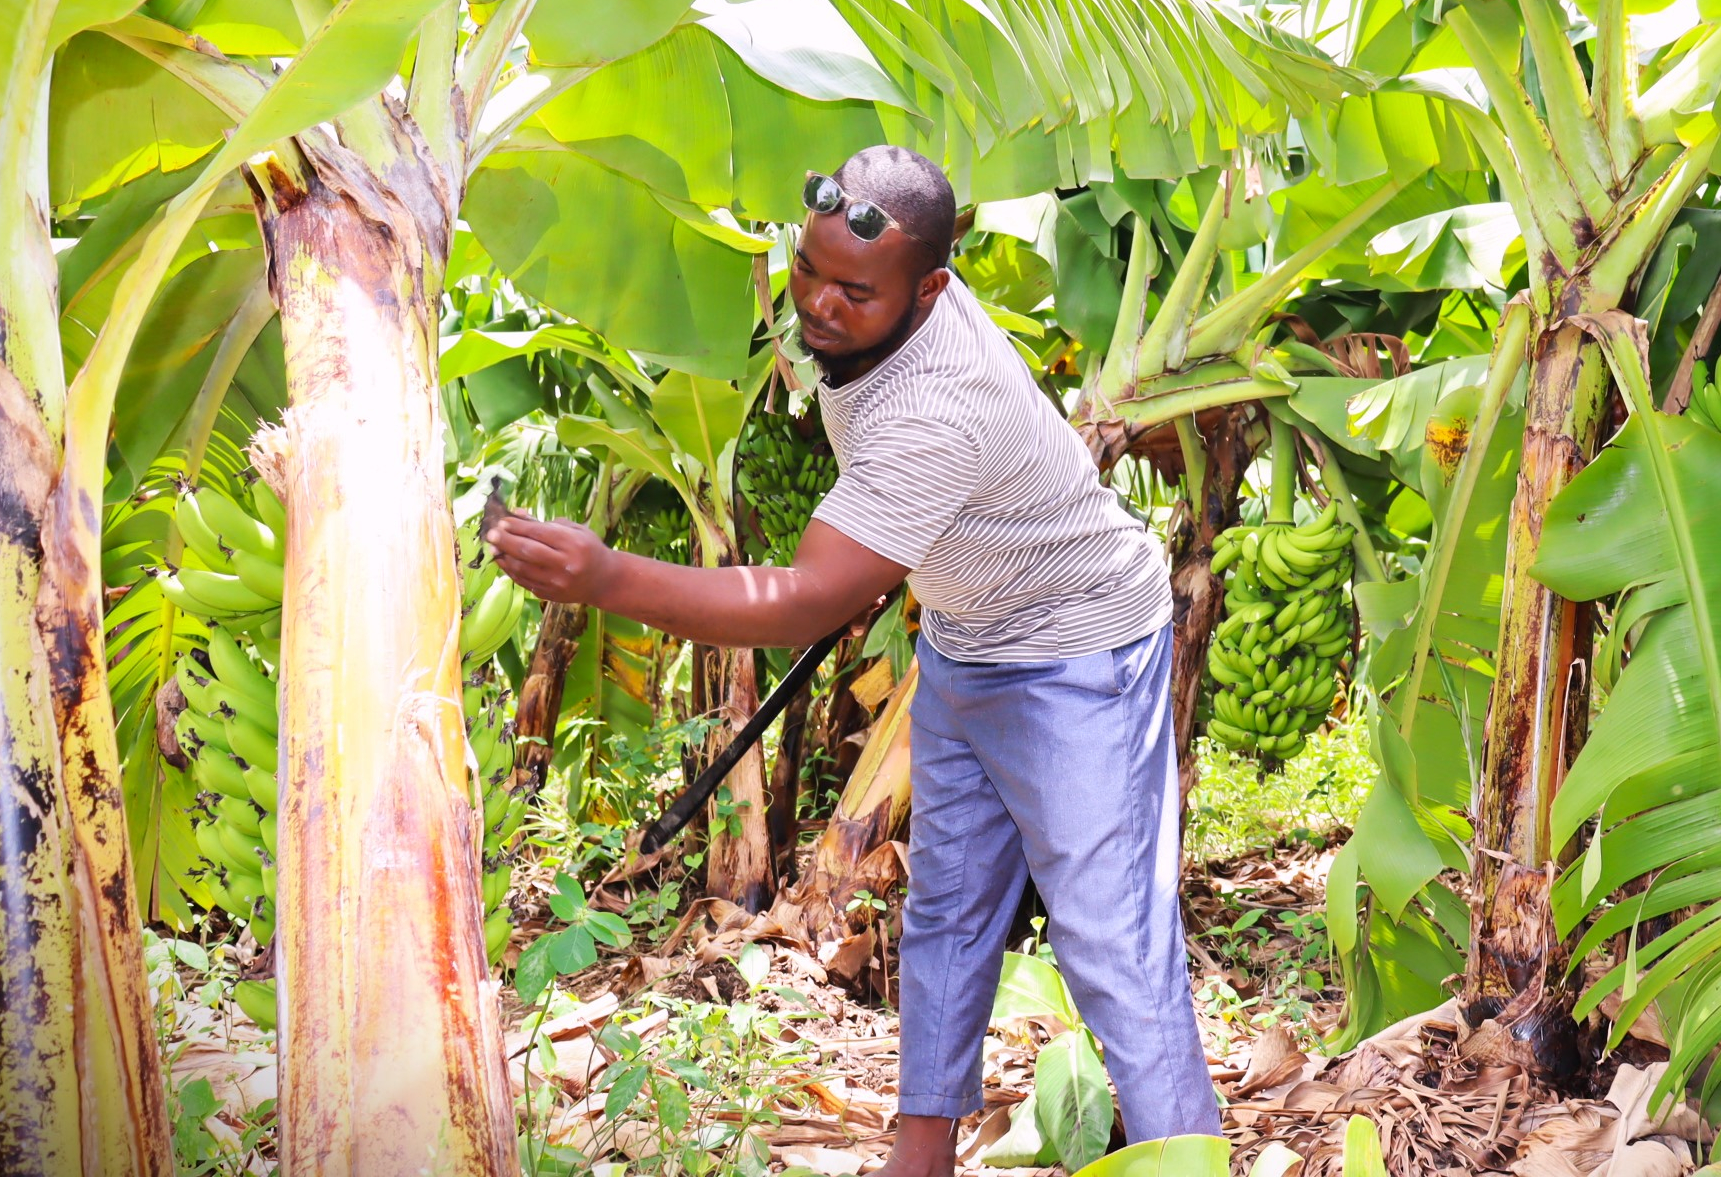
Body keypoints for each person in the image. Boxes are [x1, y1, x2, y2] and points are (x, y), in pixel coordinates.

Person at [485, 145, 1221, 1174]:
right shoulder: (863, 313)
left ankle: (1187, 1158)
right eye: (808, 271)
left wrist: (607, 576)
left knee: (1109, 943)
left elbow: (804, 600)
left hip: (1078, 651)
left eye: (854, 292)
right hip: (968, 638)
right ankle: (919, 1159)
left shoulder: (937, 405)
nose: (820, 306)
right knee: (948, 913)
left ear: (933, 288)